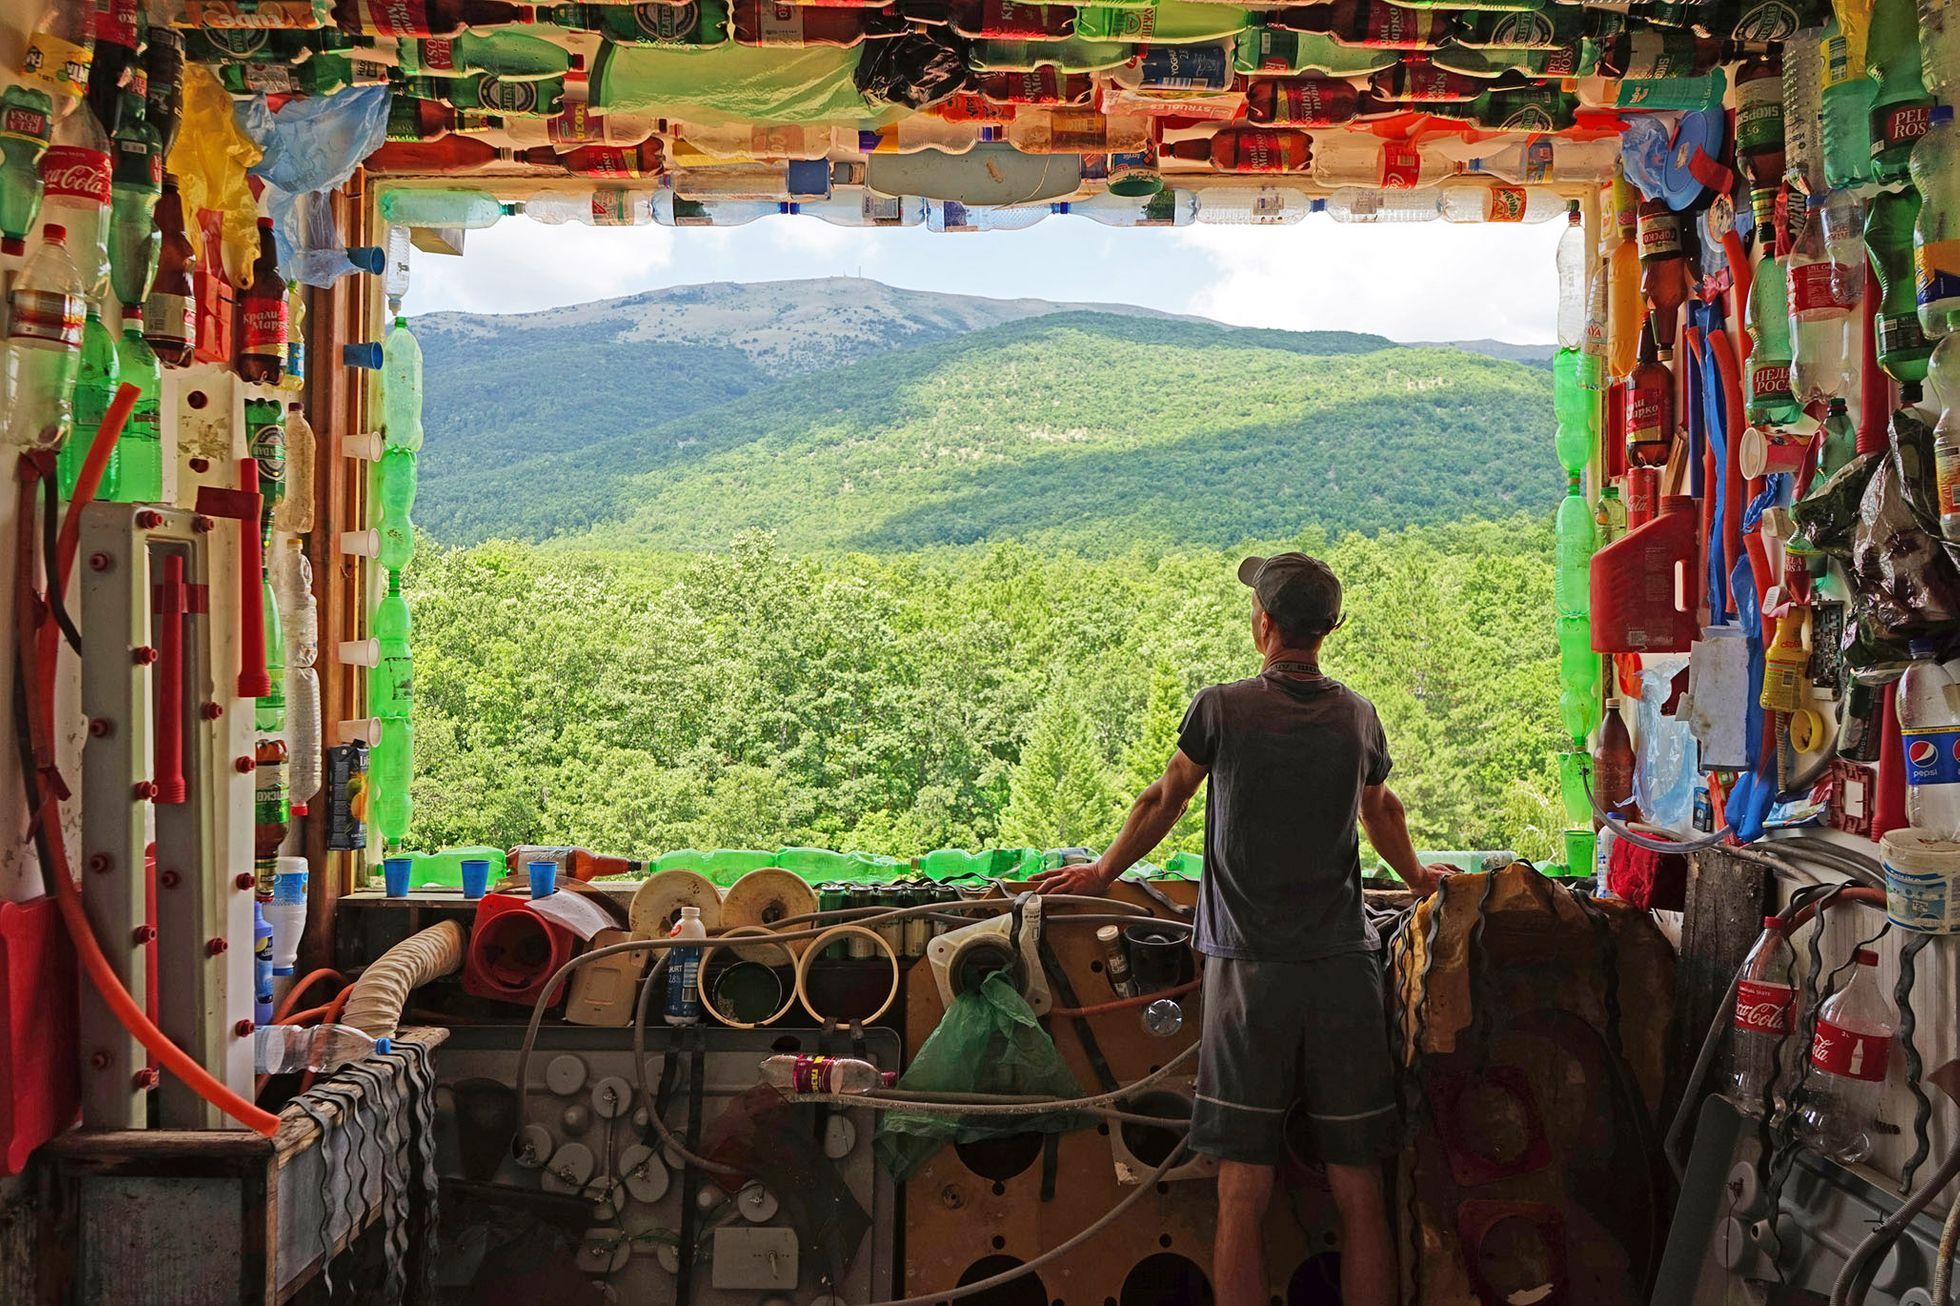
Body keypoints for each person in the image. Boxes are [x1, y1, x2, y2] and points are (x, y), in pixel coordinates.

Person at [1030, 552, 1452, 1306]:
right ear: (1330, 630)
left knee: (1241, 1189)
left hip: (1249, 974)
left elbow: (1164, 798)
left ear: (1263, 624)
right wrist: (1420, 880)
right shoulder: (1357, 716)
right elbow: (1381, 811)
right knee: (1360, 1185)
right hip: (1343, 970)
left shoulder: (1220, 708)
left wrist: (1099, 874)